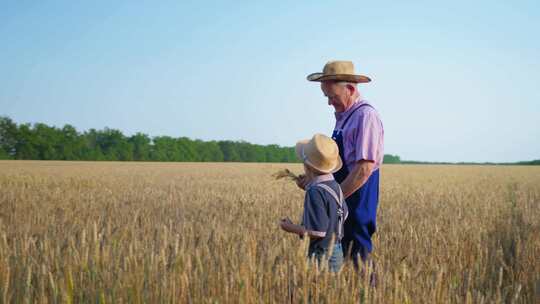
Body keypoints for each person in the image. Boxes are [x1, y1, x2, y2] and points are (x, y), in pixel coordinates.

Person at [299, 61, 384, 268]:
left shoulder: (366, 116)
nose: (329, 103)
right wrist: (315, 182)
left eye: (332, 97)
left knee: (358, 257)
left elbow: (364, 169)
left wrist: (332, 199)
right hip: (344, 198)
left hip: (358, 198)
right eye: (327, 97)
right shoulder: (344, 116)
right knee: (339, 259)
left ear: (351, 89)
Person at [279, 134, 348, 272]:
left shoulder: (315, 192)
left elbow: (318, 232)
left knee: (315, 292)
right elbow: (344, 213)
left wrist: (290, 227)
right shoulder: (335, 185)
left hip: (321, 255)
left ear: (307, 166)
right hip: (337, 251)